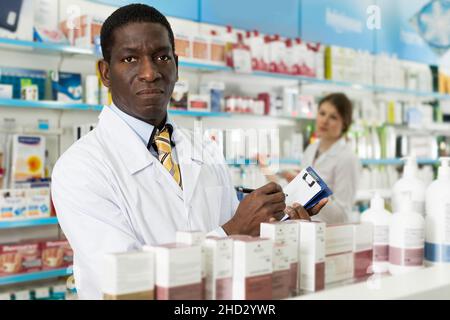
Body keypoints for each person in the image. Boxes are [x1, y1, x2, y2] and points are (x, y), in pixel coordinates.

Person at [51, 4, 327, 299]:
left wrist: (279, 228)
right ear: (105, 73)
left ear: (176, 65)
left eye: (162, 57)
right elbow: (129, 283)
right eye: (130, 58)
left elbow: (237, 253)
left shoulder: (204, 149)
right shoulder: (79, 169)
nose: (149, 72)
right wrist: (234, 231)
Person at [280, 93, 361, 224]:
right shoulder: (311, 149)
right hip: (303, 227)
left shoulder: (347, 158)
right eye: (322, 113)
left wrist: (313, 191)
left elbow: (342, 216)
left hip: (330, 234)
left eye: (333, 117)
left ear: (344, 124)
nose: (324, 121)